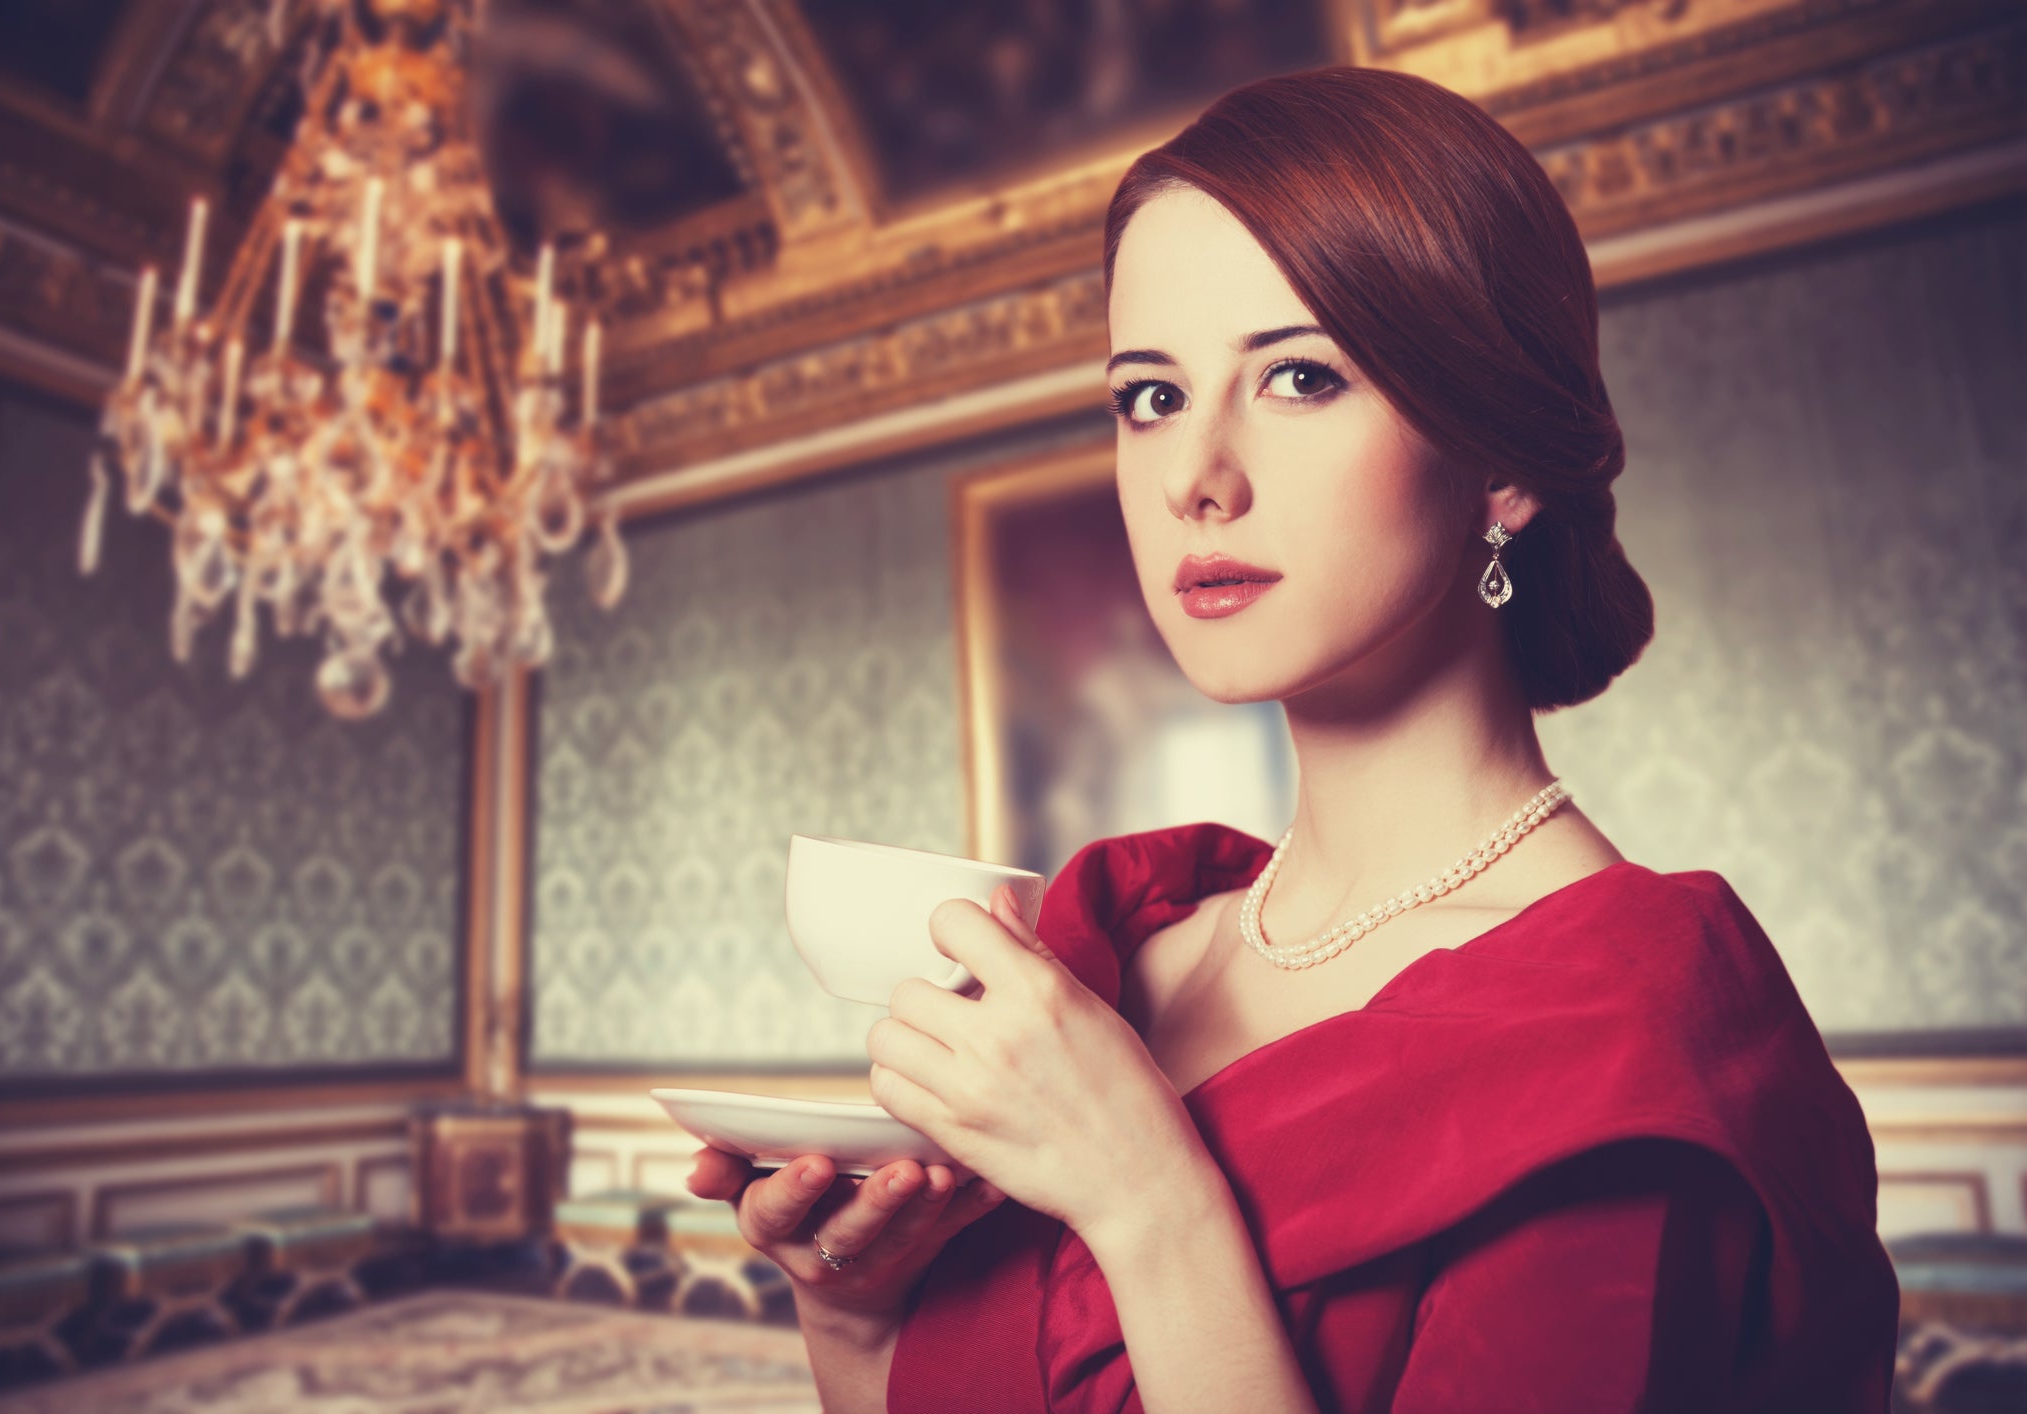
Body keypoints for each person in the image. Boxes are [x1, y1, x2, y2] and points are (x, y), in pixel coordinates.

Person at [686, 64, 1899, 1411]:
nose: (1195, 473)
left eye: (1301, 376)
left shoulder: (1627, 1040)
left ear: (1499, 463)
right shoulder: (1112, 950)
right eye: (1147, 396)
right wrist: (856, 1317)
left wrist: (1149, 1199)